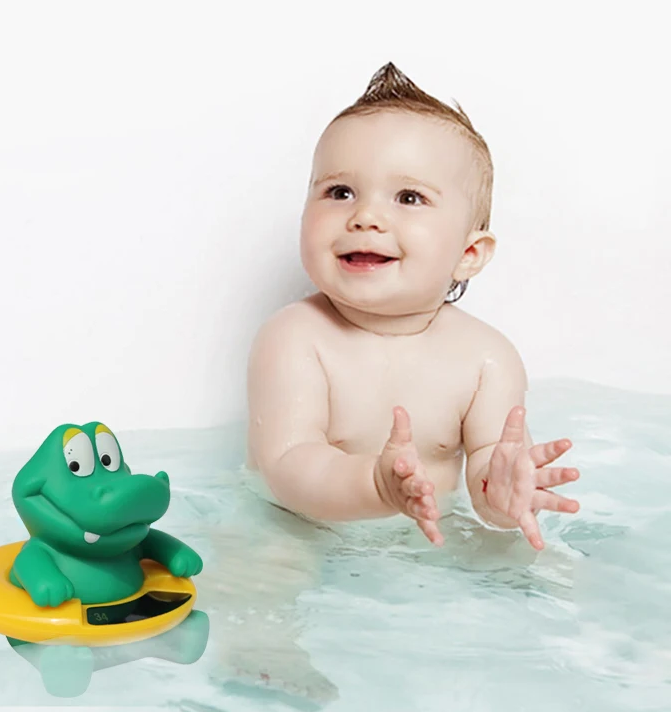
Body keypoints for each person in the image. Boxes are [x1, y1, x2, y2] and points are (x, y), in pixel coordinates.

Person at [246, 62, 581, 550]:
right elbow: (287, 465)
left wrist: (505, 497)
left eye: (408, 197)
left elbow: (491, 472)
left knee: (539, 567)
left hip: (430, 540)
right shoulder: (295, 337)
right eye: (340, 192)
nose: (365, 216)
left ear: (469, 254)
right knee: (268, 567)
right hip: (299, 531)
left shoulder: (486, 358)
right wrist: (375, 487)